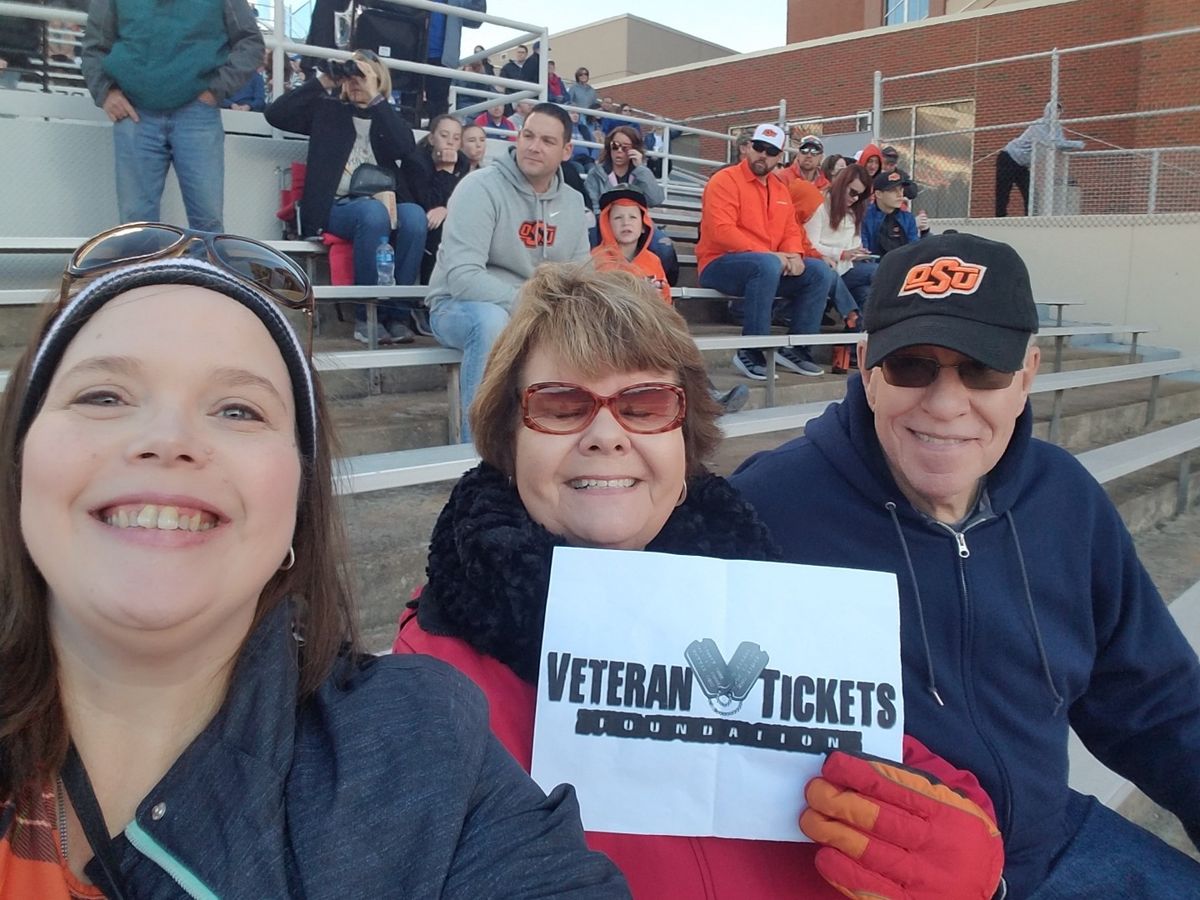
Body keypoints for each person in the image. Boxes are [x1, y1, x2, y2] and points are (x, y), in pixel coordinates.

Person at [0, 225, 629, 899]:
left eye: (238, 409)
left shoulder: (425, 749)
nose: (167, 440)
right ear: (19, 458)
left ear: (299, 502)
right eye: (103, 396)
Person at [393, 263, 1005, 900]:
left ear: (683, 448)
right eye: (560, 406)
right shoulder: (432, 683)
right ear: (509, 441)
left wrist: (969, 861)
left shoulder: (772, 607)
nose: (606, 435)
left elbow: (905, 776)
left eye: (645, 405)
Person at [731, 232, 1200, 898]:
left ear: (1027, 375)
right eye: (912, 366)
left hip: (1052, 845)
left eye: (982, 370)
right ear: (866, 370)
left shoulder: (1065, 499)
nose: (946, 403)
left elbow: (1158, 706)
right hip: (876, 878)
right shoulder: (765, 508)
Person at [425, 102, 590, 442]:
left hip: (533, 310)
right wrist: (530, 306)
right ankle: (479, 452)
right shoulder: (480, 187)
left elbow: (580, 278)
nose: (533, 146)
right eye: (528, 135)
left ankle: (567, 439)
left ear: (566, 150)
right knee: (491, 323)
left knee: (592, 324)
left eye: (546, 140)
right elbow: (461, 276)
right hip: (459, 306)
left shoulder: (573, 203)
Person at [265, 50, 428, 346]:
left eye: (361, 76)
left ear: (379, 80)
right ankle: (367, 317)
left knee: (415, 217)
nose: (354, 82)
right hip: (336, 206)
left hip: (383, 203)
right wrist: (325, 80)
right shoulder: (327, 111)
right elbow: (275, 115)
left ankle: (398, 314)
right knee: (371, 213)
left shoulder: (386, 115)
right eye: (350, 76)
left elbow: (405, 148)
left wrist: (376, 100)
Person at [80, 0, 264, 232]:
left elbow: (251, 42)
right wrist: (106, 92)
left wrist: (216, 89)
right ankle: (144, 269)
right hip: (135, 111)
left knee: (207, 220)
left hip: (196, 112)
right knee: (136, 222)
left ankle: (204, 268)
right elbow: (94, 46)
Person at [696, 123, 837, 381]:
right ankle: (751, 352)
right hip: (719, 263)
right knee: (766, 265)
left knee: (818, 272)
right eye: (759, 147)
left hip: (765, 267)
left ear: (780, 156)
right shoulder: (724, 180)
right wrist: (772, 256)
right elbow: (721, 231)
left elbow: (791, 230)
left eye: (771, 151)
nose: (763, 155)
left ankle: (798, 349)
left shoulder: (780, 188)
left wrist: (794, 254)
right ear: (748, 148)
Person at [805, 164, 876, 374]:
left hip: (846, 269)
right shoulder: (820, 204)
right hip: (825, 266)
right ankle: (851, 327)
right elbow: (809, 243)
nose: (855, 199)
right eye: (853, 192)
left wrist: (855, 253)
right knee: (878, 272)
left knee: (867, 293)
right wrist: (841, 253)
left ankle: (852, 347)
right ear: (842, 185)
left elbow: (852, 247)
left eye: (860, 196)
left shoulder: (855, 213)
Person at [583, 125, 676, 284]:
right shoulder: (596, 173)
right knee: (590, 239)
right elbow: (594, 205)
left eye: (625, 147)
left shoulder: (640, 173)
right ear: (609, 147)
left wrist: (641, 168)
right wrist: (610, 222)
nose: (619, 151)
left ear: (634, 149)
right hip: (605, 221)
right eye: (615, 146)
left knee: (665, 247)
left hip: (636, 221)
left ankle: (661, 285)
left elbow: (656, 199)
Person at [406, 114, 472, 284]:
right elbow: (426, 202)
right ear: (432, 138)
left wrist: (445, 209)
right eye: (444, 136)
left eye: (456, 138)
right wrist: (445, 169)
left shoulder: (462, 162)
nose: (450, 142)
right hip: (415, 215)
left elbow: (461, 198)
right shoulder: (416, 161)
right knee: (438, 229)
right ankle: (427, 290)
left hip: (444, 215)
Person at [996, 101, 1085, 216]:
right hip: (1009, 158)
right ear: (1047, 110)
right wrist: (1077, 144)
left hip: (1023, 165)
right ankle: (1000, 217)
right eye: (1053, 110)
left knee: (1031, 193)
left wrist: (1075, 145)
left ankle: (1031, 218)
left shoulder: (1056, 127)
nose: (1056, 113)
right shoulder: (1038, 125)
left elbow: (1061, 145)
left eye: (1058, 111)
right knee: (1003, 192)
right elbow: (1052, 143)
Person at [422, 0, 486, 121]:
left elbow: (476, 20)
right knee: (408, 101)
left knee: (437, 110)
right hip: (412, 50)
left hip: (442, 58)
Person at [861, 169, 929, 259]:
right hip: (876, 268)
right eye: (893, 190)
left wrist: (925, 233)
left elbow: (914, 249)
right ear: (878, 194)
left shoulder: (908, 218)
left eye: (901, 189)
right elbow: (865, 253)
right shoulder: (865, 217)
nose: (900, 194)